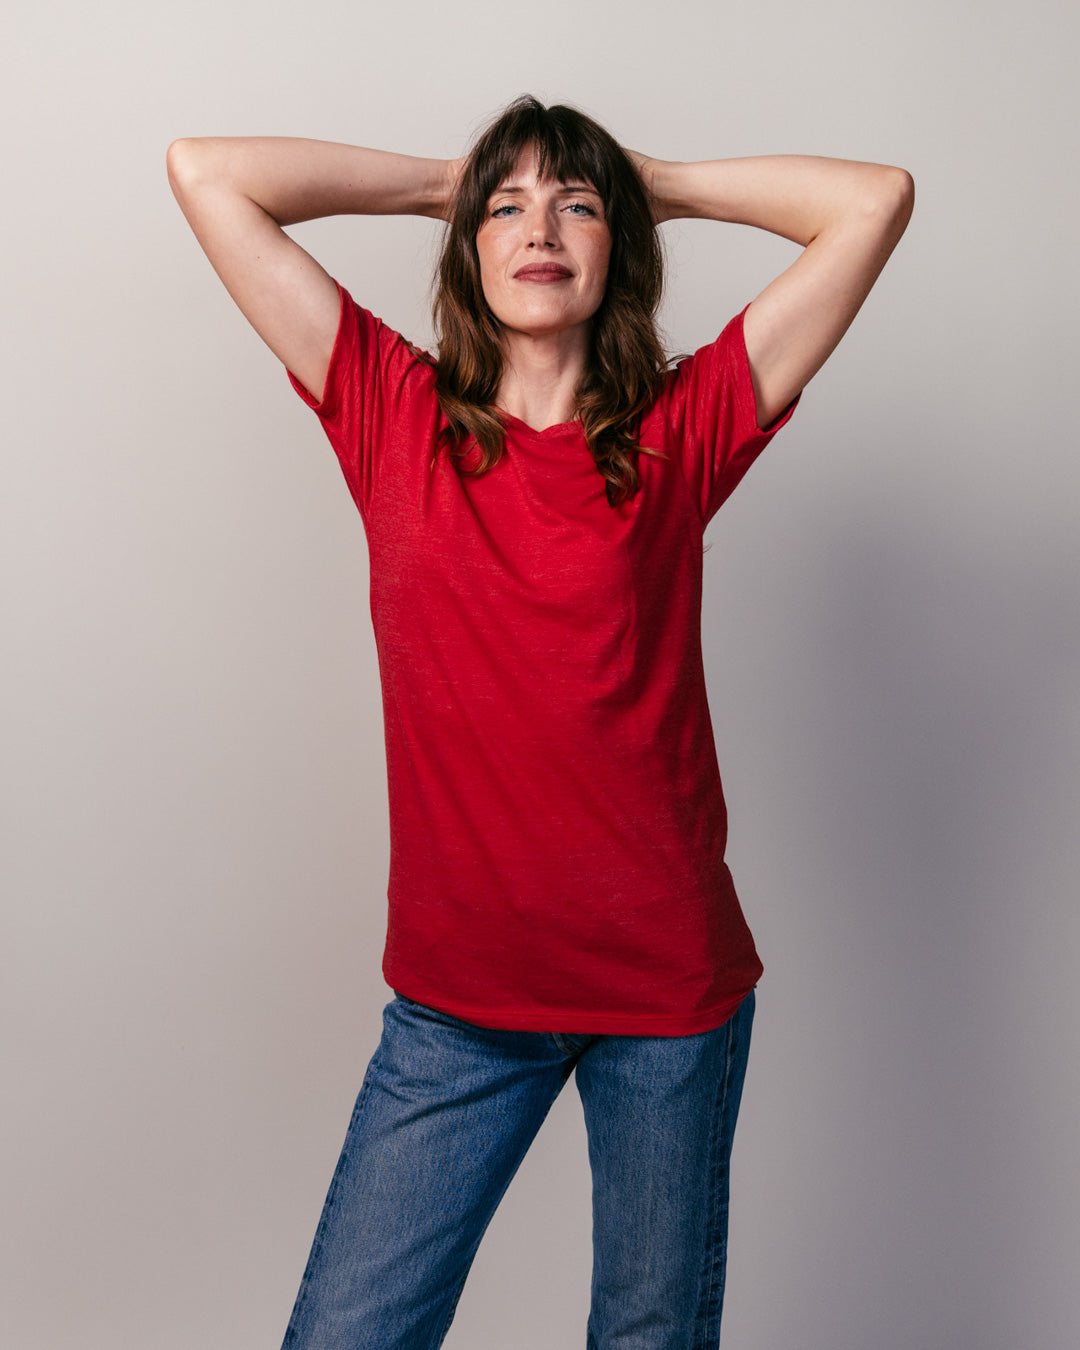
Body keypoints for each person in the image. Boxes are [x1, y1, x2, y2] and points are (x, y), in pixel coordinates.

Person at [167, 95, 913, 1350]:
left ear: (619, 238)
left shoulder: (683, 428)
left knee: (647, 1334)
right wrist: (444, 184)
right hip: (461, 1002)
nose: (540, 227)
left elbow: (872, 201)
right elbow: (206, 174)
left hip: (665, 995)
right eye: (505, 207)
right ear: (465, 243)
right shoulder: (389, 412)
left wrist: (639, 177)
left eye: (574, 205)